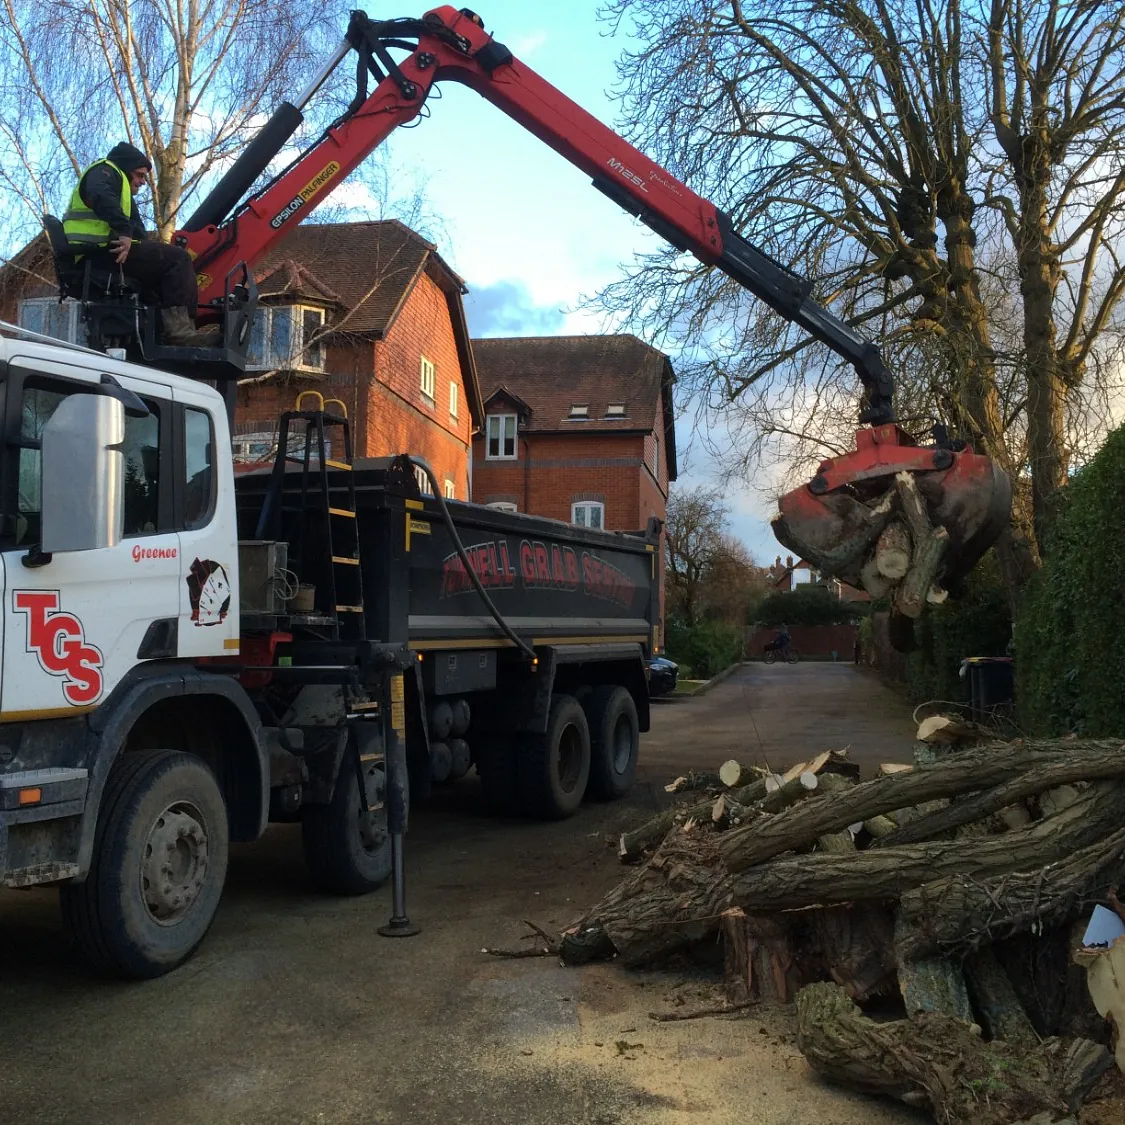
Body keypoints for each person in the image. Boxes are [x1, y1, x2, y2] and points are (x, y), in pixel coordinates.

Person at [62, 142, 220, 347]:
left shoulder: (122, 192)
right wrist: (124, 232)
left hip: (105, 254)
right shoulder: (104, 172)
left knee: (162, 272)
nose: (143, 181)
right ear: (125, 169)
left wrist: (147, 245)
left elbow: (137, 230)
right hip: (97, 254)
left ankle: (161, 333)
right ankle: (181, 333)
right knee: (178, 260)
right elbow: (101, 197)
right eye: (139, 175)